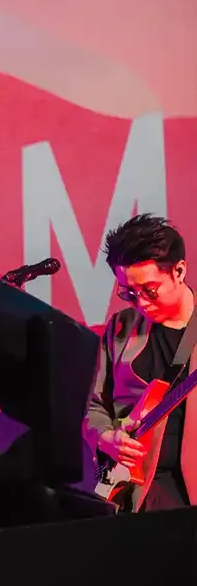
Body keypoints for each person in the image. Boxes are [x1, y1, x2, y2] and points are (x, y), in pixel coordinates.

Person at [85, 214, 195, 512]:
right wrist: (107, 438)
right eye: (129, 292)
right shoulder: (121, 328)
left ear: (179, 271)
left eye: (150, 290)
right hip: (130, 494)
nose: (141, 302)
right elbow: (95, 409)